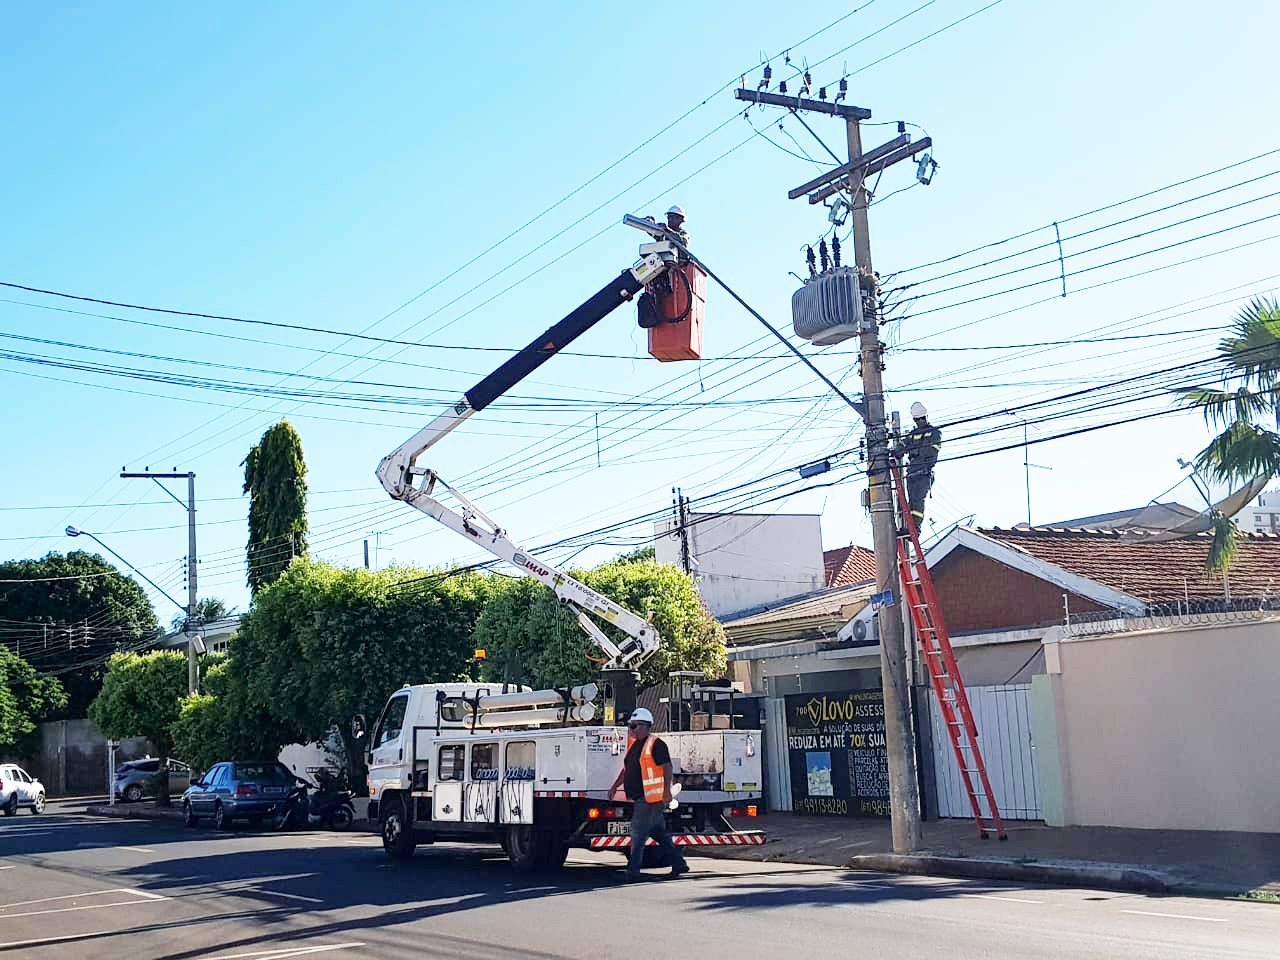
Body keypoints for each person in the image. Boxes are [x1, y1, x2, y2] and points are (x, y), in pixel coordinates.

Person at [608, 707, 690, 881]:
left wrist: (667, 790)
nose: (631, 730)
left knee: (638, 833)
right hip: (643, 797)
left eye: (634, 726)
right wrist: (616, 785)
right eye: (631, 726)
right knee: (657, 832)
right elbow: (628, 769)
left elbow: (667, 767)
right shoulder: (636, 745)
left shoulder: (656, 744)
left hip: (650, 798)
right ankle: (679, 863)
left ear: (646, 726)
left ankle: (633, 871)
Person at [900, 401, 942, 535]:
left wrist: (919, 456)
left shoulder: (934, 433)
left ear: (926, 417)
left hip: (924, 473)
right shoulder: (912, 434)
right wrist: (896, 451)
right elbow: (903, 445)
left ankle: (915, 530)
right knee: (910, 503)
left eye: (922, 419)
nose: (920, 422)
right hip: (912, 473)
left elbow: (932, 452)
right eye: (917, 420)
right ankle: (908, 528)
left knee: (917, 502)